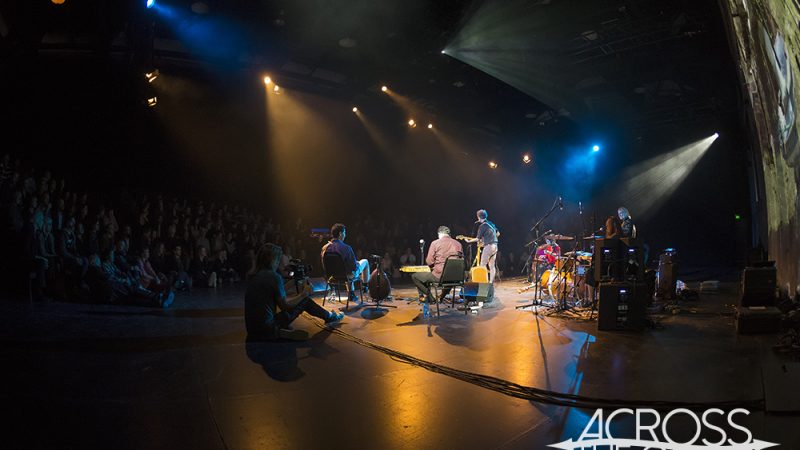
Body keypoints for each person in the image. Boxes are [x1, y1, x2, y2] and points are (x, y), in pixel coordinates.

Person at [245, 243, 344, 341]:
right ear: (272, 260)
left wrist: (292, 283)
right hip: (268, 329)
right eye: (278, 260)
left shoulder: (252, 275)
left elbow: (271, 292)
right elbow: (285, 306)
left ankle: (282, 330)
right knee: (305, 301)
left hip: (253, 331)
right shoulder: (274, 277)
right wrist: (304, 294)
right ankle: (330, 317)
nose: (279, 264)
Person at [320, 223, 370, 303]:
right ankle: (365, 287)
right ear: (340, 234)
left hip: (332, 277)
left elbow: (324, 264)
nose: (345, 235)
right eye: (344, 233)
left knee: (345, 268)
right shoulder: (346, 248)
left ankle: (351, 294)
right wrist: (357, 263)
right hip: (346, 276)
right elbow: (353, 267)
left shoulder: (324, 248)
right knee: (365, 262)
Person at [411, 226, 463, 303]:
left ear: (439, 234)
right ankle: (441, 297)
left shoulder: (435, 243)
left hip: (440, 276)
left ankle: (431, 298)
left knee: (415, 276)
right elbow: (461, 260)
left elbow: (429, 261)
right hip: (455, 277)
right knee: (449, 278)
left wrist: (433, 267)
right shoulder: (458, 244)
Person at [460, 209, 499, 283]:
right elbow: (498, 233)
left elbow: (477, 239)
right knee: (492, 266)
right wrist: (487, 239)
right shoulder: (491, 224)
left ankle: (484, 282)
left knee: (482, 265)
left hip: (489, 246)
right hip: (495, 246)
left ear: (478, 217)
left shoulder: (482, 226)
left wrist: (468, 241)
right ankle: (490, 282)